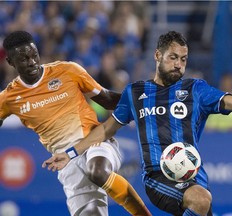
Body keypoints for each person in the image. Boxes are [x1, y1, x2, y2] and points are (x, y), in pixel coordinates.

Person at [43, 31, 232, 216]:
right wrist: (71, 153)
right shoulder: (135, 92)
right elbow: (107, 129)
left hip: (194, 178)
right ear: (157, 56)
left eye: (183, 59)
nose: (179, 64)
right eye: (173, 57)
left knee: (202, 199)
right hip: (157, 178)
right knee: (200, 200)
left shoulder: (196, 90)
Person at [0, 31, 151, 216]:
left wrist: (142, 102)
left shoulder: (67, 71)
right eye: (23, 59)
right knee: (91, 213)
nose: (32, 62)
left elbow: (107, 99)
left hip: (95, 143)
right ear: (10, 62)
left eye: (34, 55)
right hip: (66, 161)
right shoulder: (9, 98)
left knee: (97, 170)